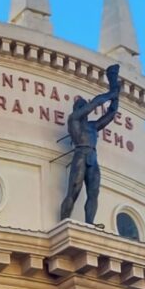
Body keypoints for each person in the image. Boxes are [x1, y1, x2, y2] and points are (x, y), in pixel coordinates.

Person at [59, 64, 120, 224]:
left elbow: (111, 114)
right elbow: (94, 105)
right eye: (81, 106)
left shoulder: (93, 126)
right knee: (74, 190)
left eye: (83, 106)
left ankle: (90, 223)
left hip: (93, 157)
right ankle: (64, 221)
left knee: (93, 192)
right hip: (80, 155)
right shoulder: (74, 120)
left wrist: (116, 95)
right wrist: (110, 93)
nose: (84, 108)